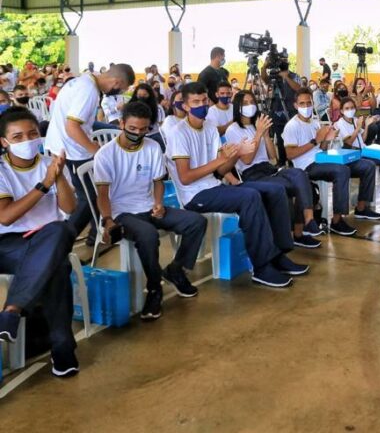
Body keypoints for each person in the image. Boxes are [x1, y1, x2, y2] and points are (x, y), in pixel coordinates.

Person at [166, 83, 307, 288]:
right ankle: (262, 267)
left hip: (214, 186)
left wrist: (236, 154)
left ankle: (279, 253)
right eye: (196, 102)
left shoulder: (210, 128)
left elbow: (222, 170)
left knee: (275, 190)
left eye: (204, 101)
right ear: (185, 106)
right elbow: (186, 177)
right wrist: (221, 160)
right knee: (250, 196)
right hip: (194, 195)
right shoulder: (178, 133)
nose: (202, 105)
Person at [93, 102, 207, 320]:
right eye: (132, 128)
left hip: (148, 206)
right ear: (121, 123)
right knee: (148, 234)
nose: (137, 133)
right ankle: (155, 289)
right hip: (121, 213)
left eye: (143, 129)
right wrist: (108, 220)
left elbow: (158, 182)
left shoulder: (153, 147)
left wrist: (158, 203)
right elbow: (103, 195)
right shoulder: (105, 155)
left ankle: (176, 270)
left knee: (196, 222)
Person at [0, 107, 79, 377]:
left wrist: (59, 177)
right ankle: (63, 349)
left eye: (32, 134)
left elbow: (69, 208)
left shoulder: (50, 163)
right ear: (4, 142)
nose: (27, 140)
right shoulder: (2, 170)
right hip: (8, 244)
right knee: (58, 265)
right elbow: (6, 217)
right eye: (18, 136)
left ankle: (12, 310)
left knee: (60, 230)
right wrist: (44, 184)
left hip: (49, 238)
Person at [46, 64, 136, 246]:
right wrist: (96, 151)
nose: (119, 92)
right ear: (116, 82)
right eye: (121, 89)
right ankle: (60, 242)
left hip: (65, 145)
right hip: (72, 150)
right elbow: (72, 127)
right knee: (90, 198)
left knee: (93, 194)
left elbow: (80, 122)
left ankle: (95, 235)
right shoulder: (89, 91)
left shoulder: (83, 81)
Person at [225, 91, 321, 245]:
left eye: (252, 102)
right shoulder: (233, 129)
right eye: (245, 103)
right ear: (238, 106)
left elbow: (272, 156)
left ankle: (308, 220)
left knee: (300, 176)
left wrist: (265, 135)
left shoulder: (257, 125)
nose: (250, 106)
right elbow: (247, 160)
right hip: (251, 173)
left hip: (268, 168)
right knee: (283, 189)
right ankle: (285, 240)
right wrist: (258, 134)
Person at [282, 89, 380, 235]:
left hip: (322, 158)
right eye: (302, 104)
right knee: (342, 171)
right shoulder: (292, 126)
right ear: (295, 105)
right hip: (307, 165)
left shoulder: (314, 122)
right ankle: (337, 220)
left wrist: (327, 140)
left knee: (367, 166)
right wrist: (315, 140)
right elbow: (290, 155)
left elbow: (321, 148)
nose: (306, 106)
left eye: (309, 103)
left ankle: (362, 208)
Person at [334, 97, 380, 199]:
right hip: (353, 153)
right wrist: (358, 127)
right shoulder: (340, 124)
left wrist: (367, 125)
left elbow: (362, 139)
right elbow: (349, 142)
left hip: (364, 149)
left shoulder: (355, 120)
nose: (350, 110)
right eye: (347, 108)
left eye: (352, 108)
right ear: (341, 111)